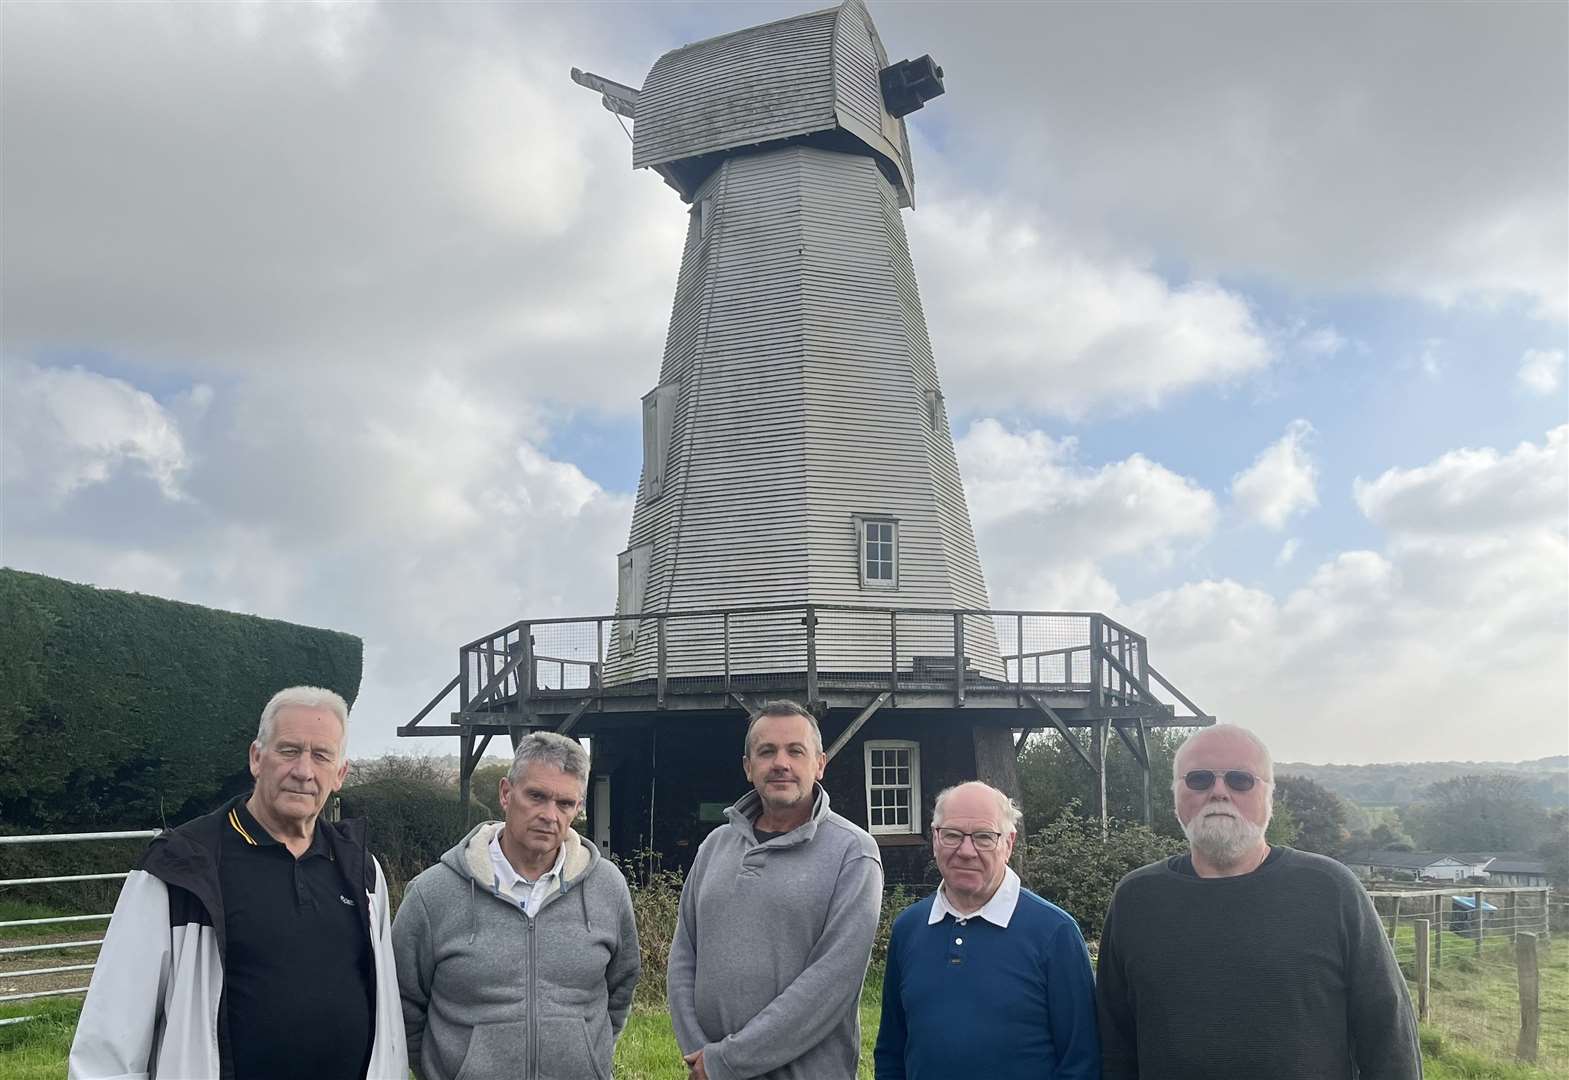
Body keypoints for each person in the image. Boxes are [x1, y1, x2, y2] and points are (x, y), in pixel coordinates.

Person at [69, 686, 406, 1080]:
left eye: (321, 755)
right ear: (256, 758)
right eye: (289, 750)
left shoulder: (362, 870)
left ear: (340, 774)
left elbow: (388, 1024)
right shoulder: (181, 866)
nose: (303, 770)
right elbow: (111, 1036)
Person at [1096, 723, 1422, 1079]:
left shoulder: (1330, 889)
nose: (1219, 791)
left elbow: (1388, 1035)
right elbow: (1114, 1044)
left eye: (1240, 780)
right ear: (1175, 795)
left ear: (1270, 798)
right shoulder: (1136, 899)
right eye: (1199, 779)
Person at [392, 730, 639, 1080]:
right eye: (536, 796)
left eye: (565, 803)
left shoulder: (607, 887)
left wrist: (589, 1056)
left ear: (578, 809)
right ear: (506, 794)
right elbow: (403, 1005)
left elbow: (621, 985)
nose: (549, 815)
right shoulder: (432, 894)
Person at [667, 700, 883, 1080]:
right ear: (749, 767)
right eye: (766, 751)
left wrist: (728, 1060)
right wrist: (699, 1052)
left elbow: (830, 985)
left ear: (819, 764)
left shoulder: (853, 852)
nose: (780, 762)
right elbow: (684, 954)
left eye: (795, 751)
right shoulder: (715, 846)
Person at [874, 781, 1098, 1079]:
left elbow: (1081, 1062)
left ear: (1009, 843)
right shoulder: (909, 928)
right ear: (935, 839)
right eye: (952, 835)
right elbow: (891, 1050)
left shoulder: (1055, 933)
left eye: (983, 837)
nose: (966, 851)